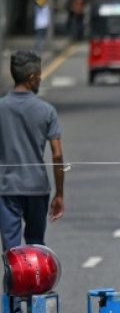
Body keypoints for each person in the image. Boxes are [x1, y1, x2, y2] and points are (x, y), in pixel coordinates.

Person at [0, 51, 65, 251]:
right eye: (38, 76)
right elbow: (57, 154)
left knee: (11, 251)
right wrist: (59, 193)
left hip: (6, 188)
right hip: (37, 188)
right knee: (36, 245)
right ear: (30, 78)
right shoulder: (46, 111)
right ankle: (36, 282)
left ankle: (12, 282)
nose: (40, 79)